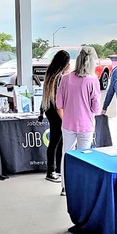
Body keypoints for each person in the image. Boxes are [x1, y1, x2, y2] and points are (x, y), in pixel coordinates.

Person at [56, 46, 101, 196]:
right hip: (86, 125)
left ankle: (64, 186)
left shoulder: (65, 78)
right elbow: (96, 108)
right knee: (84, 157)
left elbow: (59, 104)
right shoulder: (92, 80)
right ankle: (81, 187)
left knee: (66, 154)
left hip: (68, 124)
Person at [38, 49, 70, 183]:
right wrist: (63, 117)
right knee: (56, 141)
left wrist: (41, 111)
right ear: (64, 64)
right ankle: (52, 171)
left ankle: (56, 169)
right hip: (55, 111)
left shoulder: (50, 74)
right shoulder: (59, 77)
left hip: (48, 109)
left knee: (57, 141)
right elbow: (58, 100)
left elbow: (45, 96)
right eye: (68, 63)